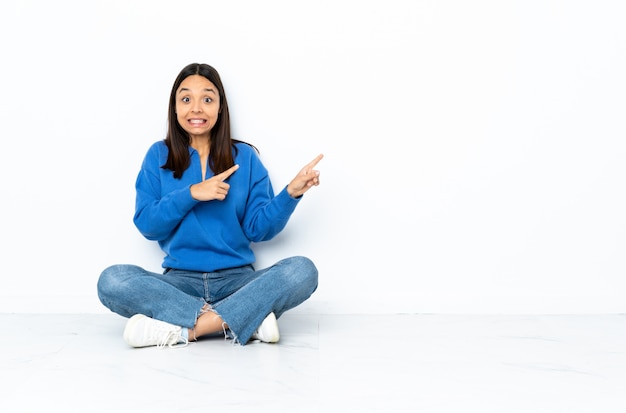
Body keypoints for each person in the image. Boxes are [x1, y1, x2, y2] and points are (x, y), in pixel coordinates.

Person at [97, 63, 323, 349]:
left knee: (302, 271)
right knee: (113, 280)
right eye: (186, 99)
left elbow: (259, 229)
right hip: (180, 283)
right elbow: (147, 225)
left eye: (207, 99)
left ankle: (185, 330)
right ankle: (245, 319)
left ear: (219, 107)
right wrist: (191, 193)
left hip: (237, 280)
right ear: (175, 108)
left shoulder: (245, 158)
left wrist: (290, 194)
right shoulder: (159, 155)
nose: (196, 108)